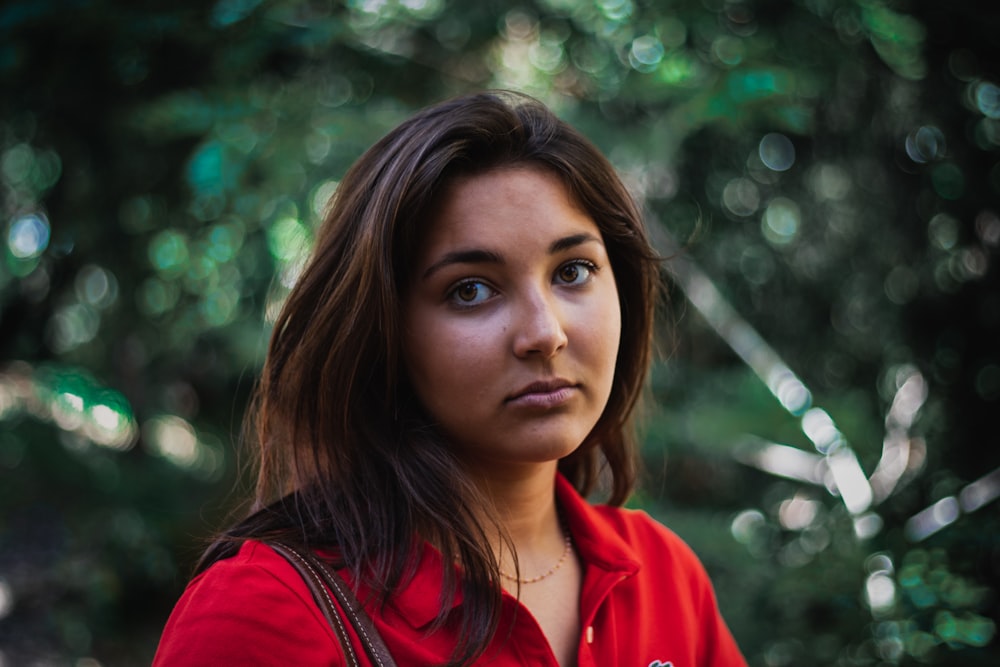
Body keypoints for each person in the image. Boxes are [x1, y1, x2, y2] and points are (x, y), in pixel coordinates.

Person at [153, 90, 748, 667]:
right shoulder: (264, 611)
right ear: (383, 330)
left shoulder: (663, 577)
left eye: (573, 270)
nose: (545, 333)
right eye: (471, 289)